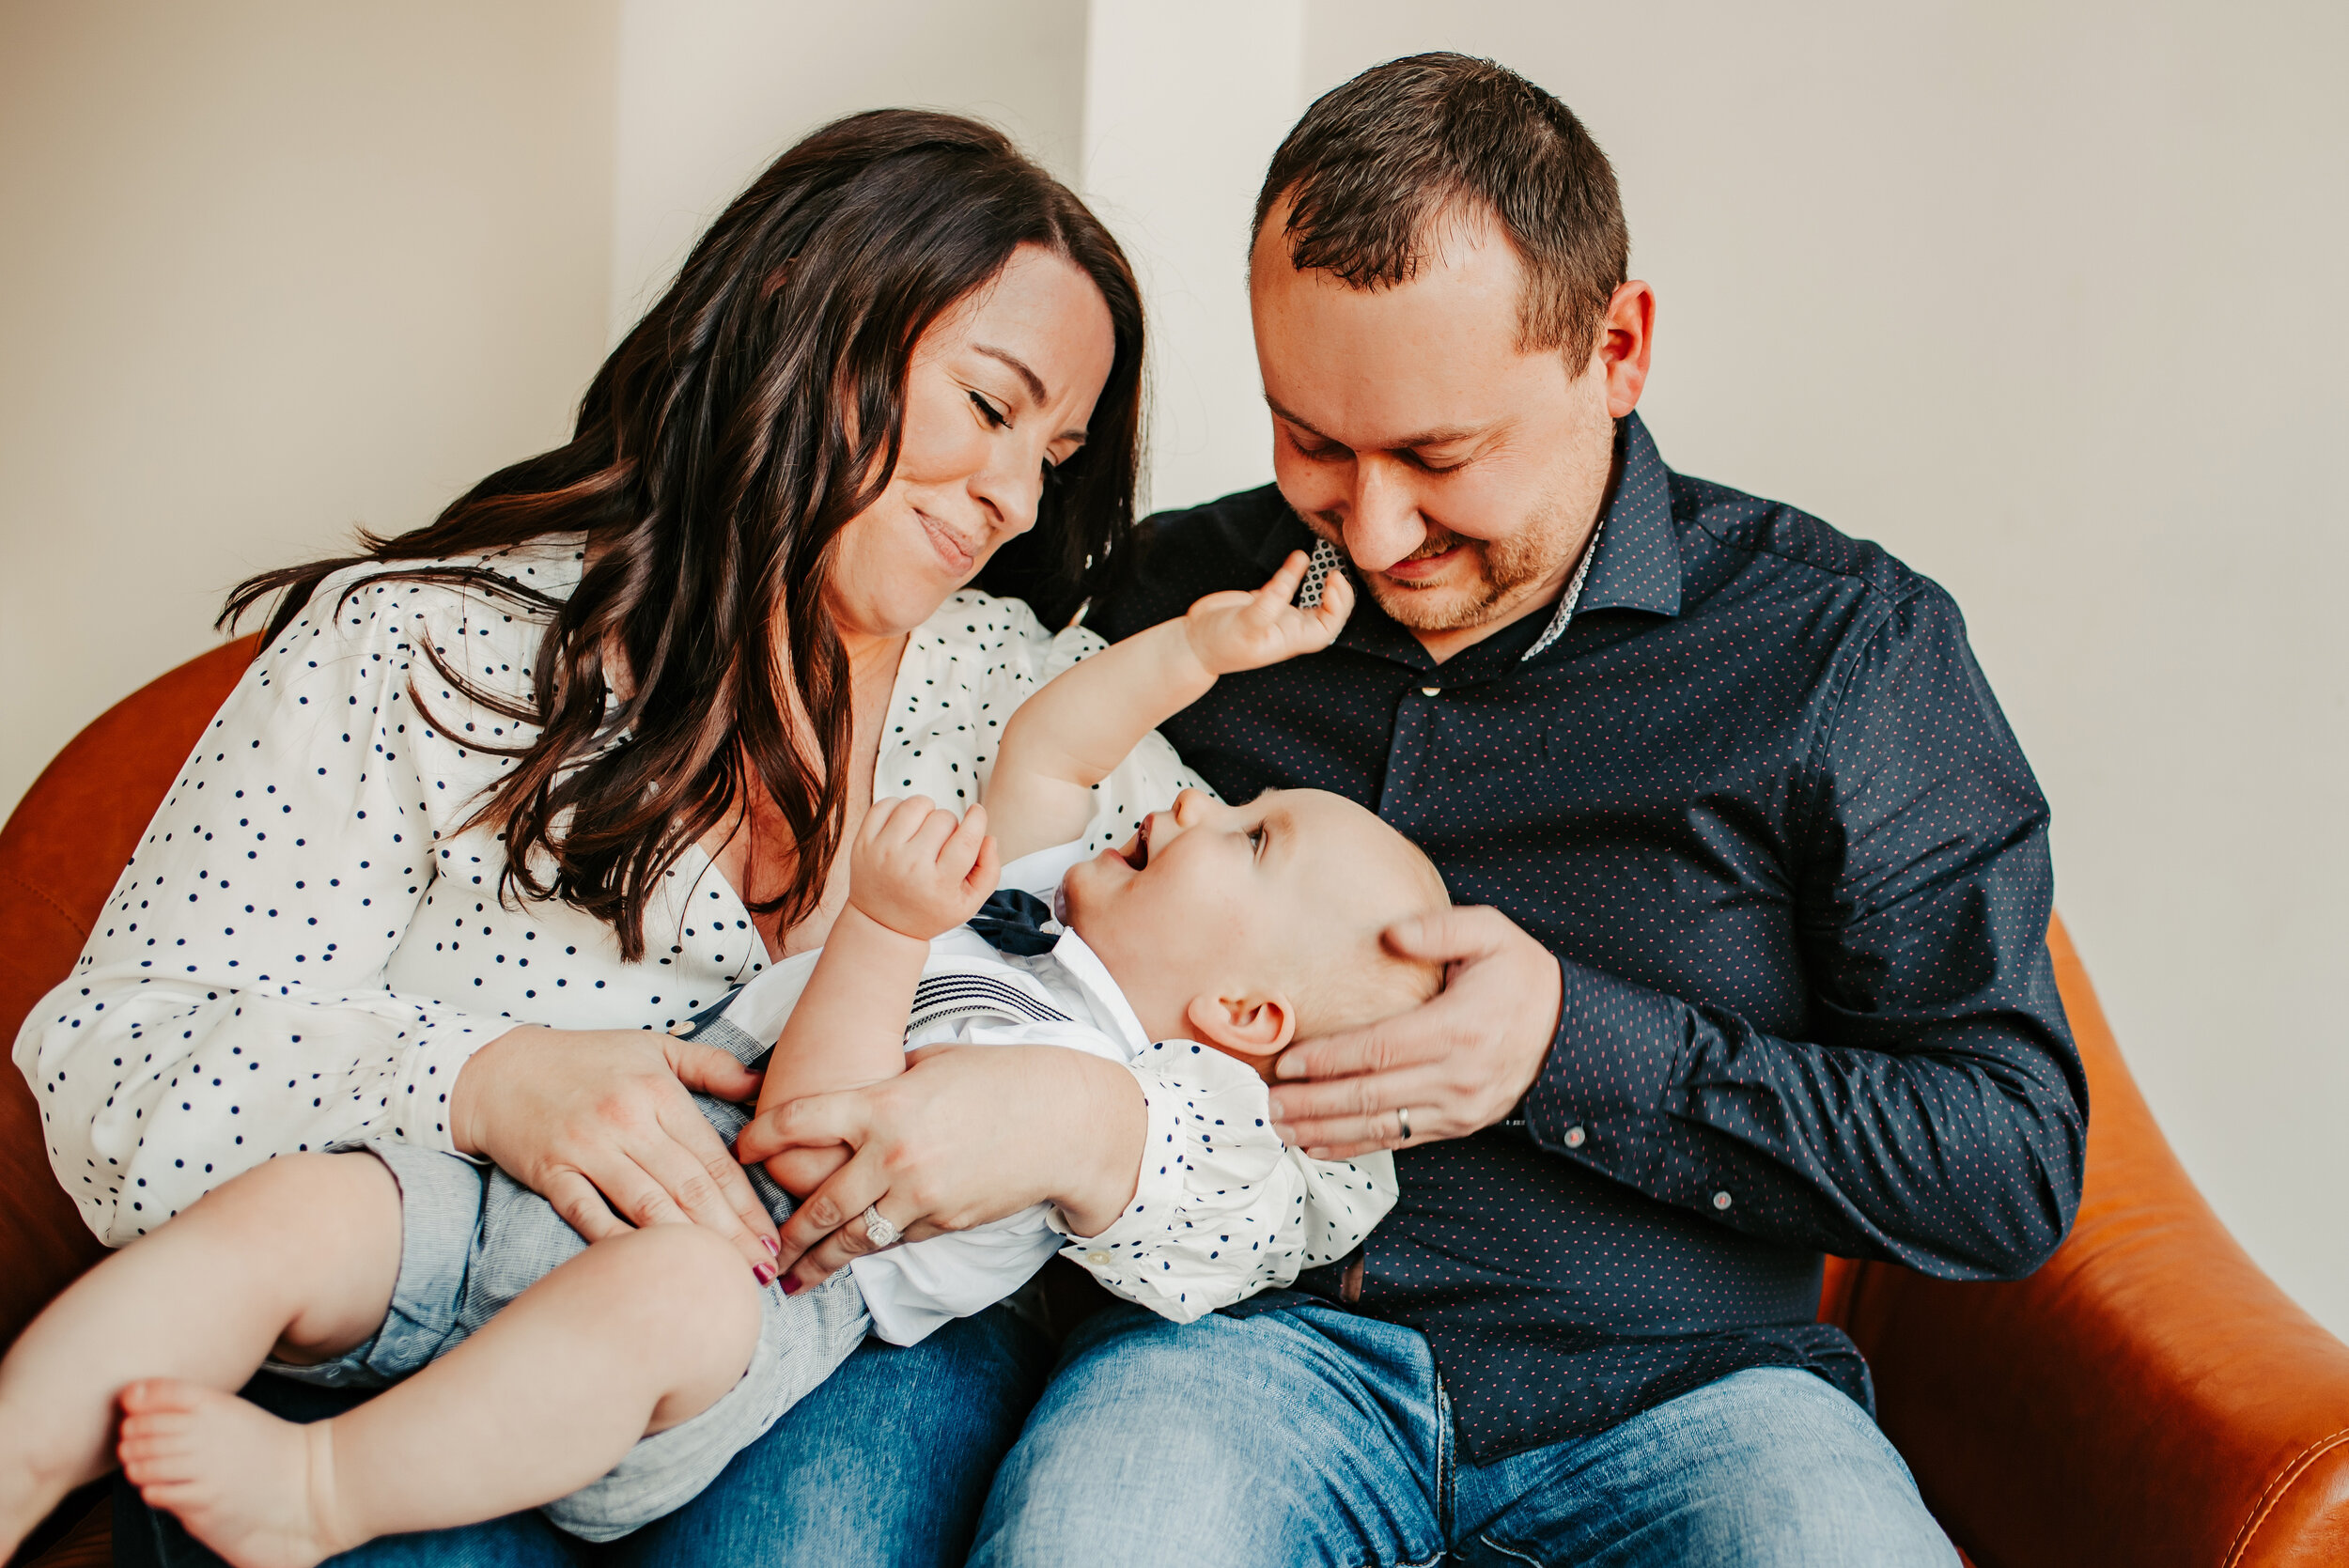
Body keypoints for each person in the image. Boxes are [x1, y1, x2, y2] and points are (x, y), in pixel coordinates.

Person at [10, 110, 1304, 1568]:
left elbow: (1328, 1156)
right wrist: (480, 1080)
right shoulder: (429, 643)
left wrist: (1092, 1129)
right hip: (430, 1307)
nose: (1017, 499)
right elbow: (114, 1060)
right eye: (989, 407)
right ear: (796, 317)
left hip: (827, 1349)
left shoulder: (1025, 702)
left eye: (1055, 455)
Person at [946, 53, 2089, 1566]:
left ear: (1617, 349)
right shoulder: (1177, 601)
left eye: (1440, 454)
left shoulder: (1842, 652)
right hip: (1228, 1361)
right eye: (1311, 442)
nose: (1373, 524)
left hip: (1694, 1395)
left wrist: (1577, 1044)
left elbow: (2004, 1162)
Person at [0, 551, 1434, 1568]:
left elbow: (811, 1134)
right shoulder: (1040, 894)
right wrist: (1201, 648)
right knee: (296, 1210)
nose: (1187, 808)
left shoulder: (1058, 1059)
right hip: (535, 1193)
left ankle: (319, 1489)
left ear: (1248, 1018)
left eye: (1245, 833)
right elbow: (1057, 742)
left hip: (718, 1322)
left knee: (673, 1294)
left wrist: (881, 927)